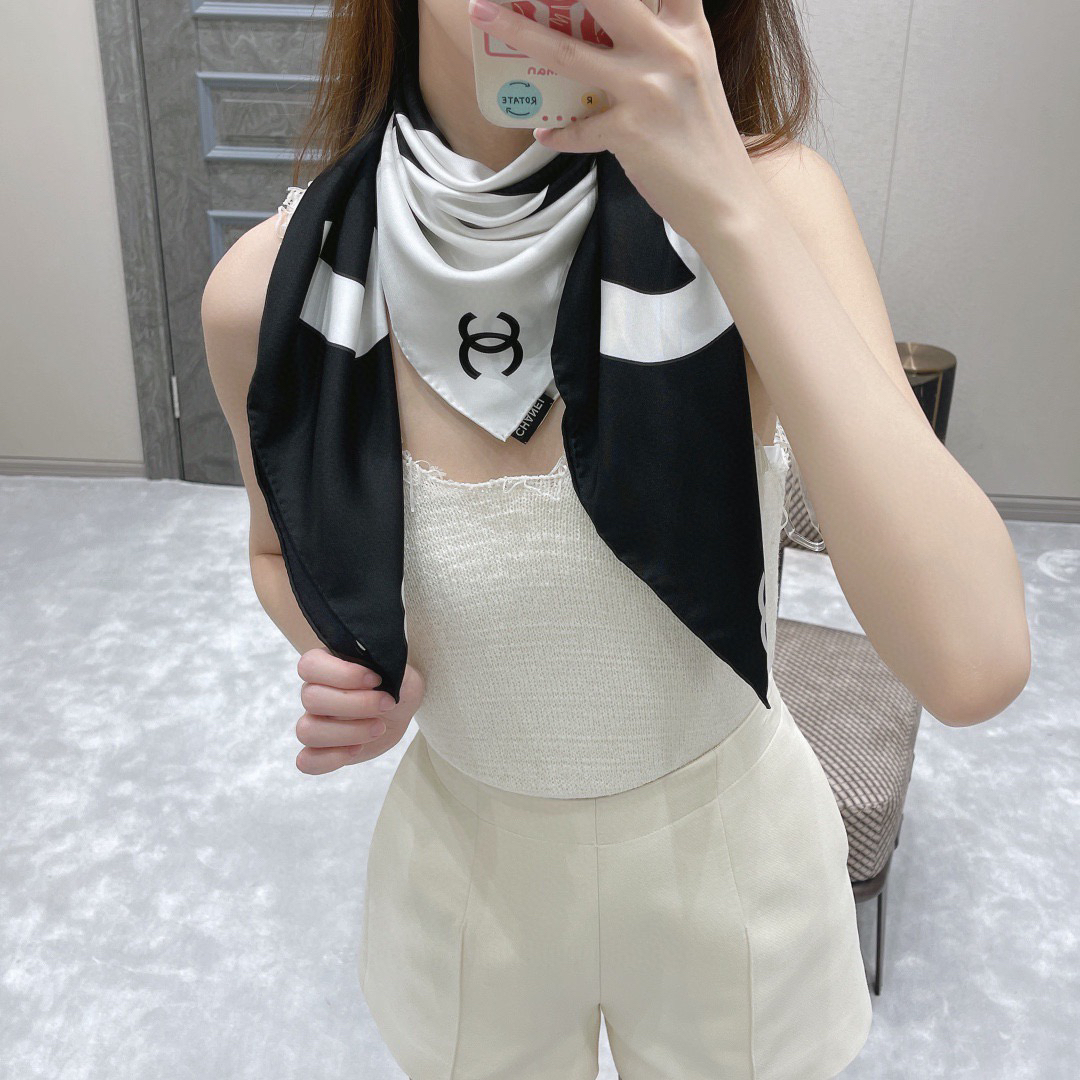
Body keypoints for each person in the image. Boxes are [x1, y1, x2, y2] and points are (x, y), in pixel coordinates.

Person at [201, 0, 1031, 1076]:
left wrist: (727, 203)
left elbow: (973, 659)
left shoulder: (768, 204)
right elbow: (276, 552)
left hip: (733, 851)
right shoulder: (274, 290)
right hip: (468, 873)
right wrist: (359, 658)